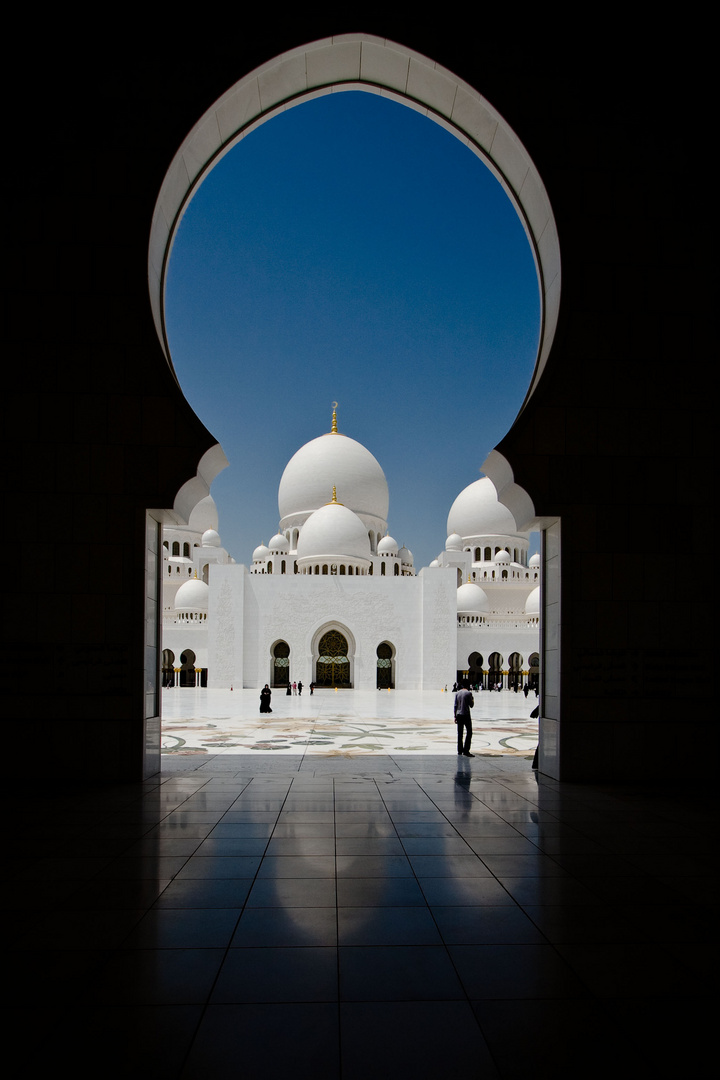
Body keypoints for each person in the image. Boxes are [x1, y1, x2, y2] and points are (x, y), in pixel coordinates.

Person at [454, 681, 475, 757]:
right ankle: (466, 750)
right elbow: (471, 705)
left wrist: (455, 716)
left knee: (460, 733)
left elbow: (455, 706)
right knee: (469, 732)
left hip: (459, 715)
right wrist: (472, 699)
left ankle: (459, 750)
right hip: (466, 715)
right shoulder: (468, 693)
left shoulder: (457, 693)